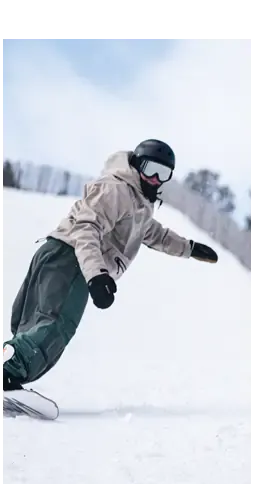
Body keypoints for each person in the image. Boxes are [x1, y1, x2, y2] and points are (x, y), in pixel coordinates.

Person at [1, 139, 219, 391]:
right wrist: (96, 275)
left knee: (33, 325)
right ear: (137, 165)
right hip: (72, 260)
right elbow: (87, 227)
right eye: (150, 169)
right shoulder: (117, 189)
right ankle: (8, 373)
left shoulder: (136, 203)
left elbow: (155, 234)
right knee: (55, 326)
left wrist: (189, 248)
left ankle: (8, 370)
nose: (155, 179)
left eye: (164, 174)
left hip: (59, 254)